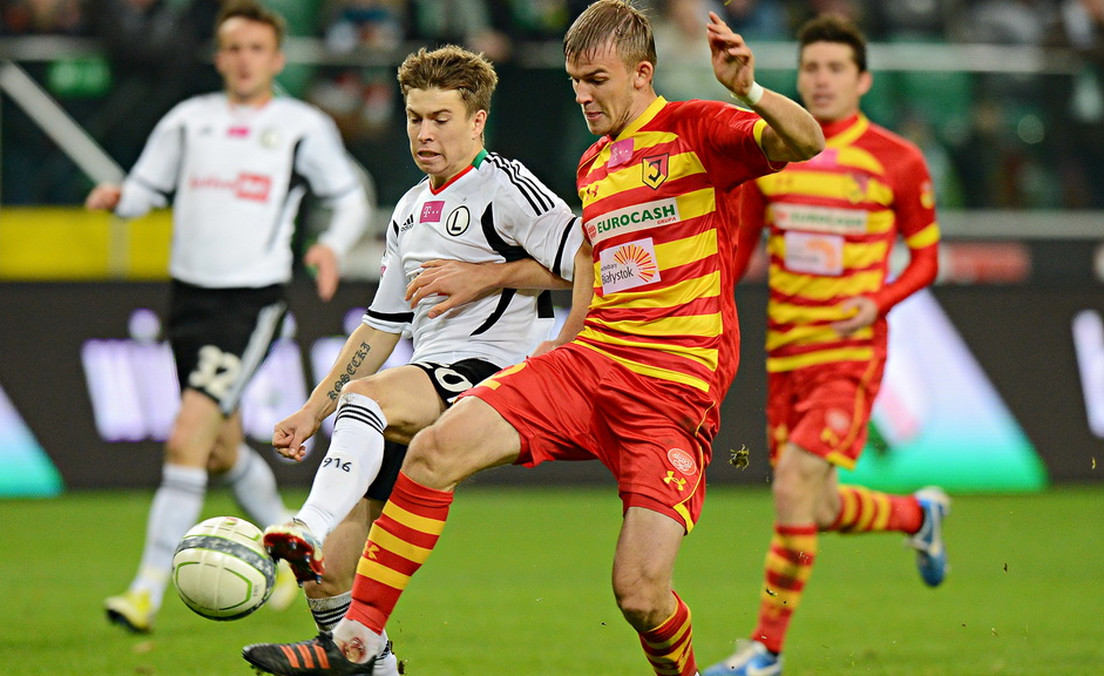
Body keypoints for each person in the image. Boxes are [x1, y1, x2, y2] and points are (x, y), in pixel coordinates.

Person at [242, 2, 824, 674]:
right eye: (574, 79)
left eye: (596, 79)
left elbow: (805, 142)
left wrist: (747, 89)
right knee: (433, 450)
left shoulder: (697, 129)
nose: (582, 94)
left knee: (639, 593)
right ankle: (358, 645)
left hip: (673, 391)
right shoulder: (595, 165)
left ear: (642, 74)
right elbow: (589, 261)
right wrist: (568, 339)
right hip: (589, 363)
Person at [247, 43, 581, 676]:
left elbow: (589, 261)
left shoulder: (508, 188)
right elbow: (379, 327)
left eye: (441, 119)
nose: (424, 133)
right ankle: (369, 660)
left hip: (498, 374)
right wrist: (314, 410)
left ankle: (307, 524)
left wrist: (487, 276)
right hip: (427, 376)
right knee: (328, 579)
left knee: (369, 402)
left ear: (477, 120)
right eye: (414, 118)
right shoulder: (407, 208)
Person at [84, 0, 374, 634]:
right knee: (216, 450)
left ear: (276, 58)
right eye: (232, 48)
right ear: (218, 57)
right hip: (187, 300)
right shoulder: (189, 121)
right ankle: (291, 550)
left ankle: (144, 591)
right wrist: (120, 200)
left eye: (255, 49)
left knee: (186, 434)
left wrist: (329, 245)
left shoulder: (300, 125)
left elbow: (349, 195)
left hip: (251, 302)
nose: (243, 60)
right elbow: (146, 189)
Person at [702, 14, 949, 676]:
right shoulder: (777, 151)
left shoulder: (898, 160)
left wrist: (877, 302)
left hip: (849, 355)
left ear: (862, 79)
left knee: (791, 488)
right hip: (786, 355)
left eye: (836, 68)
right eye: (811, 67)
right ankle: (916, 515)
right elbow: (742, 245)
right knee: (818, 504)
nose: (822, 79)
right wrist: (708, 302)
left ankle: (766, 649)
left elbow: (927, 261)